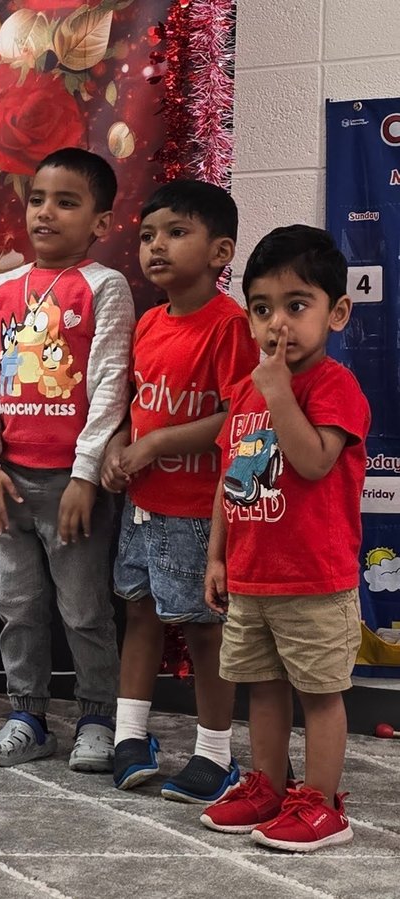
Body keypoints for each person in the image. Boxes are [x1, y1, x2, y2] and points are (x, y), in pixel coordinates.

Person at [0, 148, 133, 770]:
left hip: (71, 485)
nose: (47, 213)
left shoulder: (104, 287)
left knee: (85, 608)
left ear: (101, 223)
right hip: (7, 483)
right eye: (38, 199)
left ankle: (97, 716)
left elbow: (112, 383)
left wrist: (86, 476)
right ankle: (26, 716)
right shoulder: (1, 289)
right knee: (16, 604)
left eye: (67, 202)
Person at [200, 225, 366, 852]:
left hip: (313, 578)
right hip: (251, 573)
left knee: (319, 694)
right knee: (262, 689)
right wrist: (216, 554)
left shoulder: (333, 387)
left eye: (297, 306)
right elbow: (229, 477)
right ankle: (268, 786)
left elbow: (315, 460)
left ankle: (323, 805)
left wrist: (278, 396)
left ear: (337, 312)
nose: (279, 325)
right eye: (263, 309)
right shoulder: (247, 391)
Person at [102, 180, 257, 800]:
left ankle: (216, 754)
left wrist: (158, 445)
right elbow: (137, 405)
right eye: (147, 236)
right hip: (143, 507)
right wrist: (120, 446)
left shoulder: (232, 327)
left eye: (176, 232)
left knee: (202, 629)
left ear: (221, 252)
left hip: (198, 512)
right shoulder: (148, 323)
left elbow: (237, 417)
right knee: (138, 613)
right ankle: (129, 736)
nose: (156, 247)